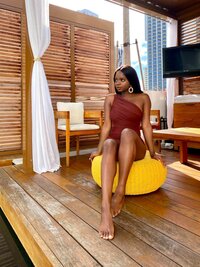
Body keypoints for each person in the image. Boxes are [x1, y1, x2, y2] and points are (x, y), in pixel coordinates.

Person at [89, 65, 163, 240]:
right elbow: (106, 126)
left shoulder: (143, 98)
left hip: (134, 146)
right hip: (114, 145)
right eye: (116, 80)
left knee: (127, 132)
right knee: (108, 143)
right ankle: (105, 208)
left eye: (122, 79)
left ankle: (120, 191)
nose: (118, 83)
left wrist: (152, 152)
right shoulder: (110, 99)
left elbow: (146, 125)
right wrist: (98, 150)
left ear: (131, 81)